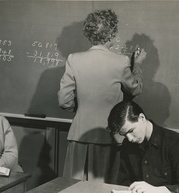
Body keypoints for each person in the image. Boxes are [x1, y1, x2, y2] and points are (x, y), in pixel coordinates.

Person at [58, 9, 147, 182]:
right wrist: (137, 66)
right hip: (110, 135)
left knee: (73, 190)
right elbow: (135, 89)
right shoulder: (120, 61)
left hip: (79, 134)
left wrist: (82, 110)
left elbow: (64, 100)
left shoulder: (73, 59)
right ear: (112, 34)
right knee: (103, 191)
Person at [107, 100, 179, 193]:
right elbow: (124, 182)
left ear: (142, 118)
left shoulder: (174, 142)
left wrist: (157, 191)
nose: (129, 138)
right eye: (124, 135)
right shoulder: (128, 144)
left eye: (131, 131)